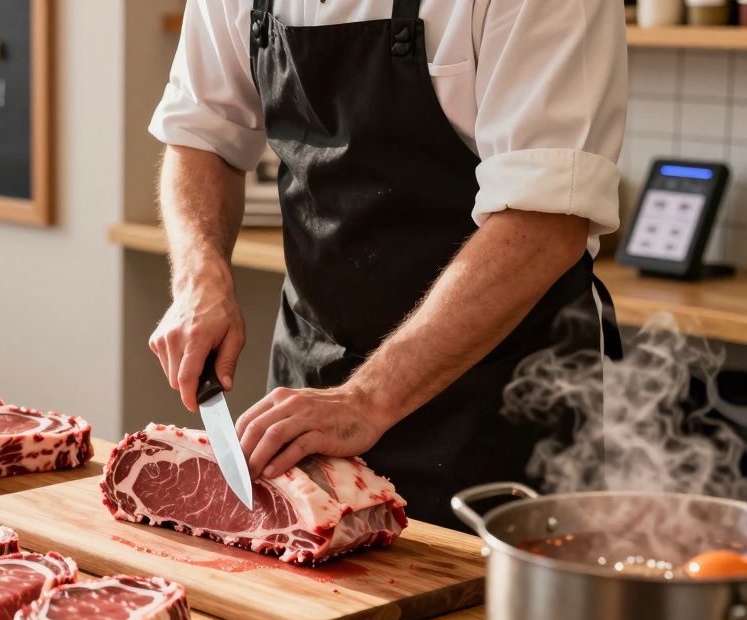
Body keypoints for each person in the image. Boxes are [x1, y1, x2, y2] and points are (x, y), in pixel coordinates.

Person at [147, 0, 625, 528]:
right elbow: (204, 134)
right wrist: (198, 275)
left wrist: (366, 399)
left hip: (498, 406)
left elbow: (544, 223)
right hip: (312, 377)